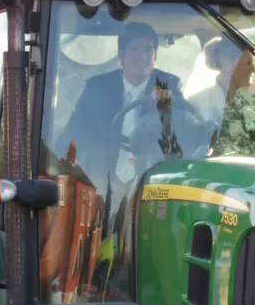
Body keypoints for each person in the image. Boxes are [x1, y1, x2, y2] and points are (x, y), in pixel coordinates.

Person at [56, 22, 204, 184]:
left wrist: (164, 107)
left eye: (148, 49)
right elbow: (75, 129)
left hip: (150, 176)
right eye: (135, 49)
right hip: (102, 176)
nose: (142, 56)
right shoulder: (98, 87)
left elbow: (184, 132)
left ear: (156, 56)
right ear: (121, 55)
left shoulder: (167, 84)